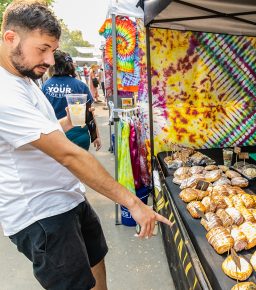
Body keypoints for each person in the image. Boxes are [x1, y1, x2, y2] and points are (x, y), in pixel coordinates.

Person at [0, 2, 171, 290]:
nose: (50, 60)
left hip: (69, 199)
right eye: (42, 49)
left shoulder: (26, 79)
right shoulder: (5, 92)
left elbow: (40, 136)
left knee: (96, 265)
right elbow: (68, 155)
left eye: (52, 50)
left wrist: (66, 122)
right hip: (42, 215)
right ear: (10, 38)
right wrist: (133, 202)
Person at [42, 50, 101, 151]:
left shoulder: (45, 86)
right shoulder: (81, 85)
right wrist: (95, 136)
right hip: (79, 135)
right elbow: (89, 113)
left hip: (55, 134)